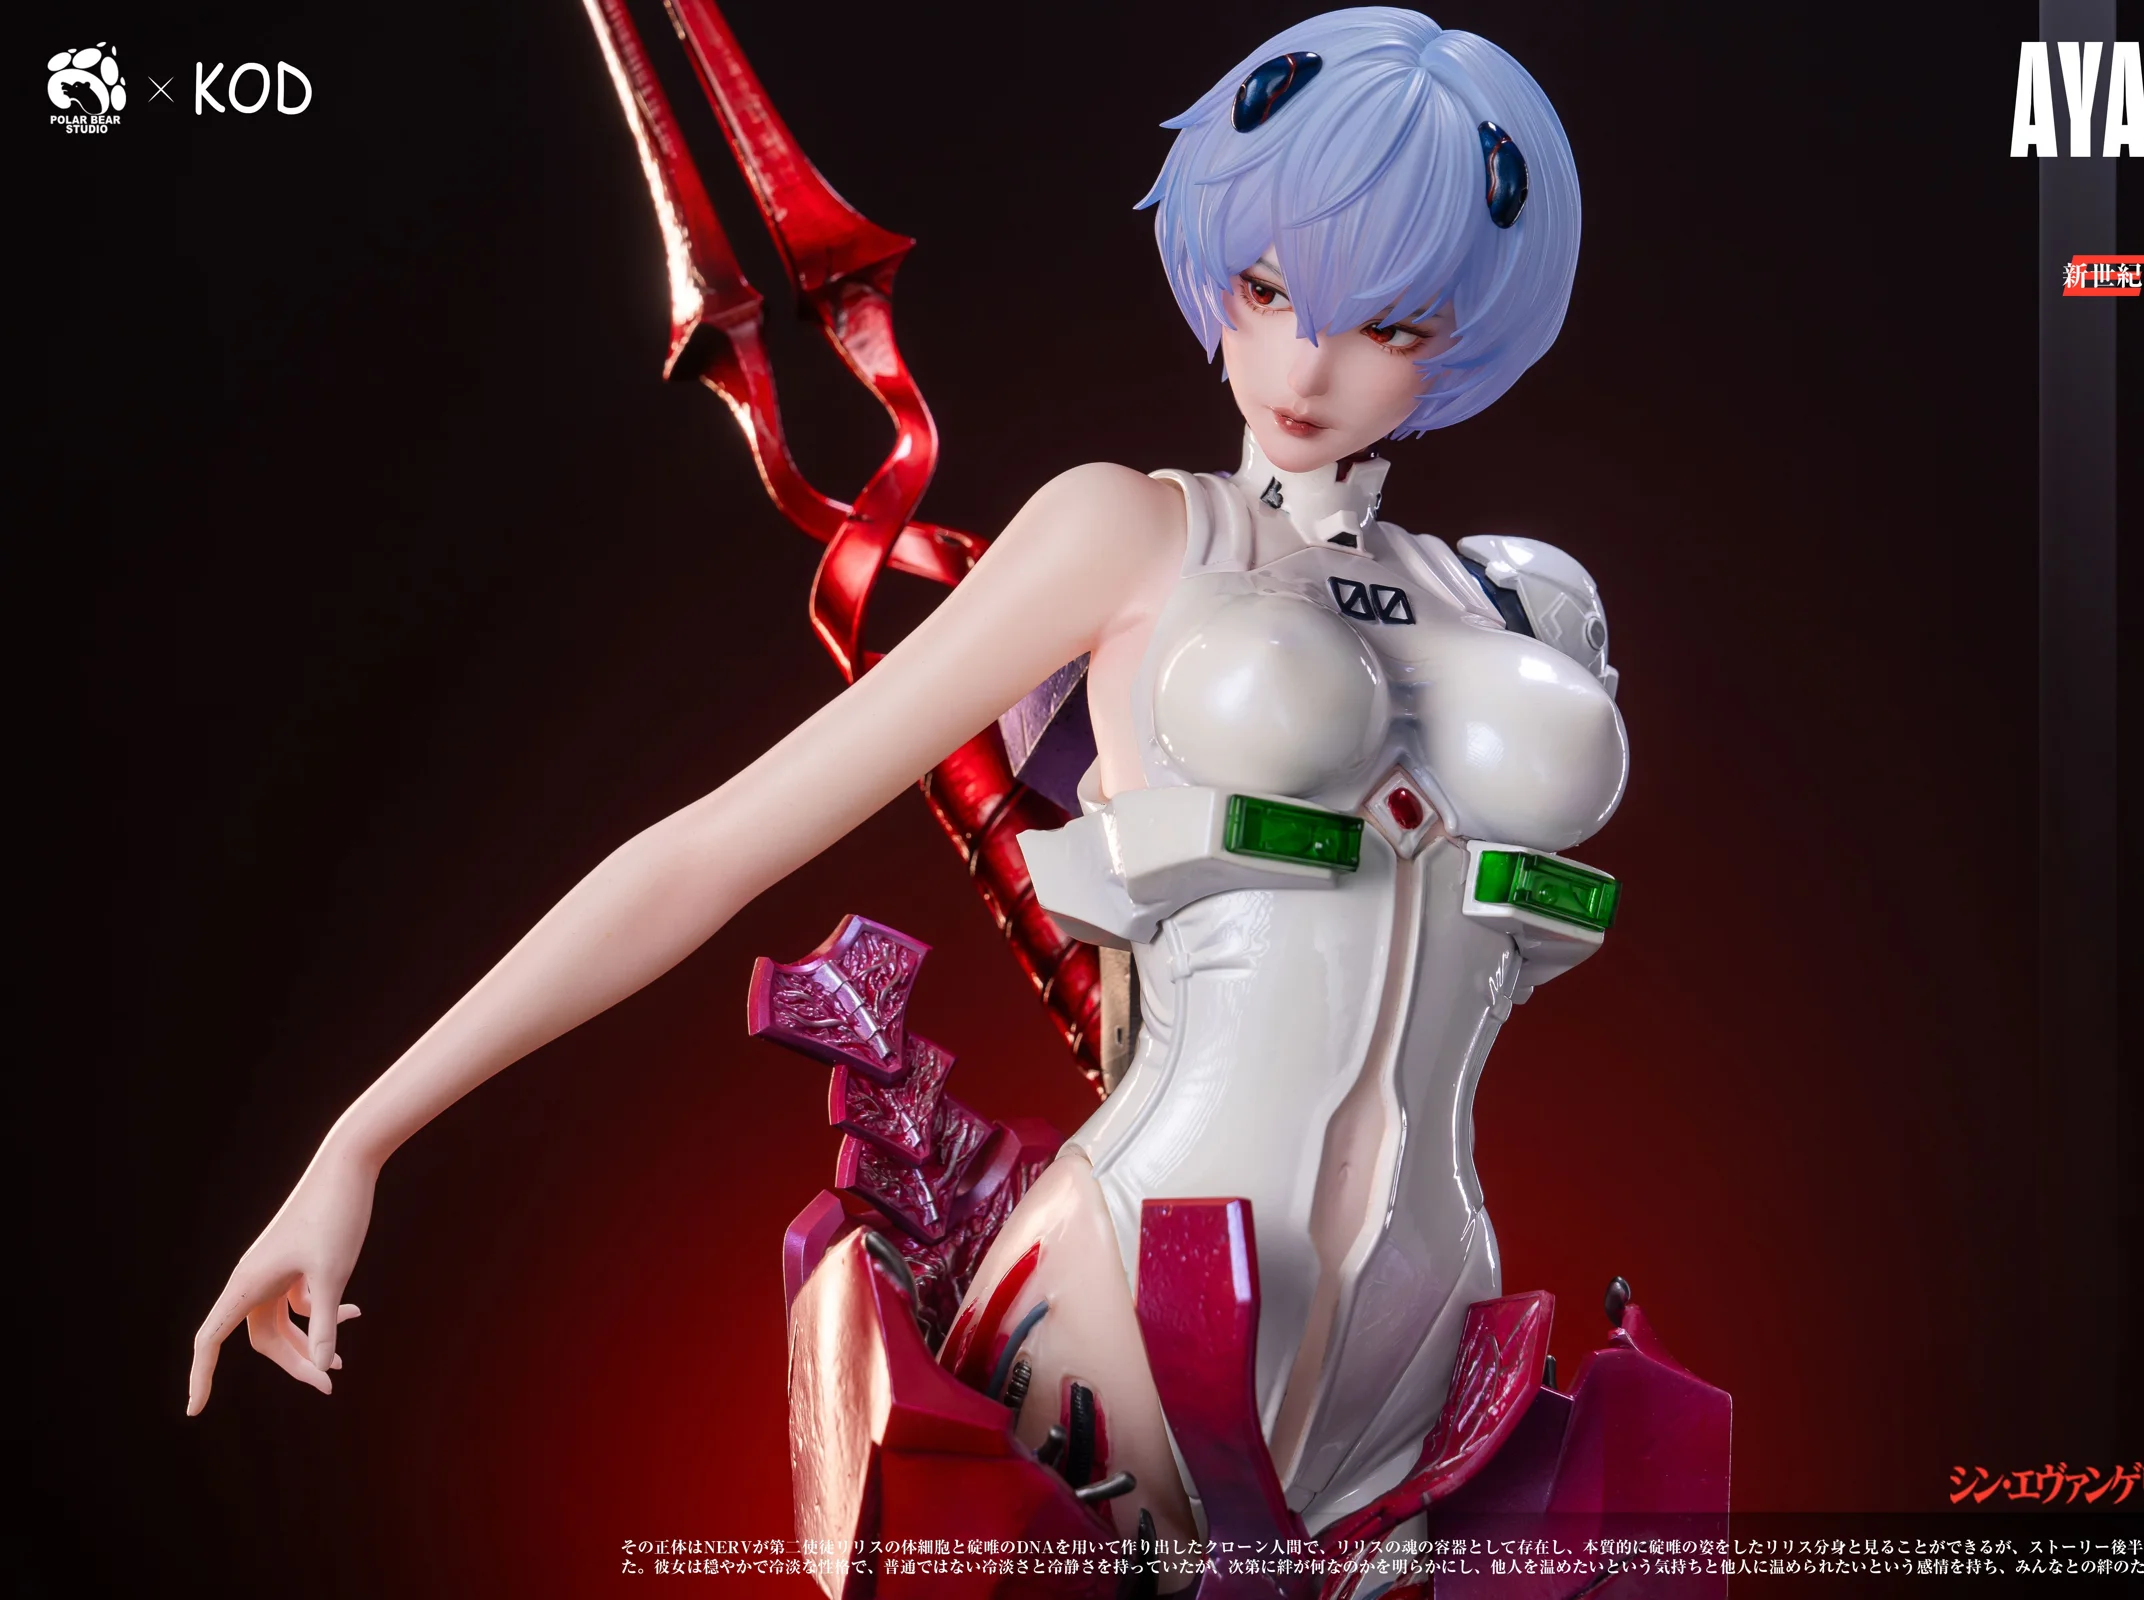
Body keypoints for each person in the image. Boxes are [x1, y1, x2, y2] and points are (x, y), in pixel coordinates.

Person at [190, 3, 1621, 1566]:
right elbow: (711, 850)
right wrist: (360, 1138)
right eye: (1269, 291)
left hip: (1429, 1349)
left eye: (1388, 322)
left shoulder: (1517, 603)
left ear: (1466, 330)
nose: (1306, 362)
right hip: (1123, 1311)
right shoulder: (1134, 535)